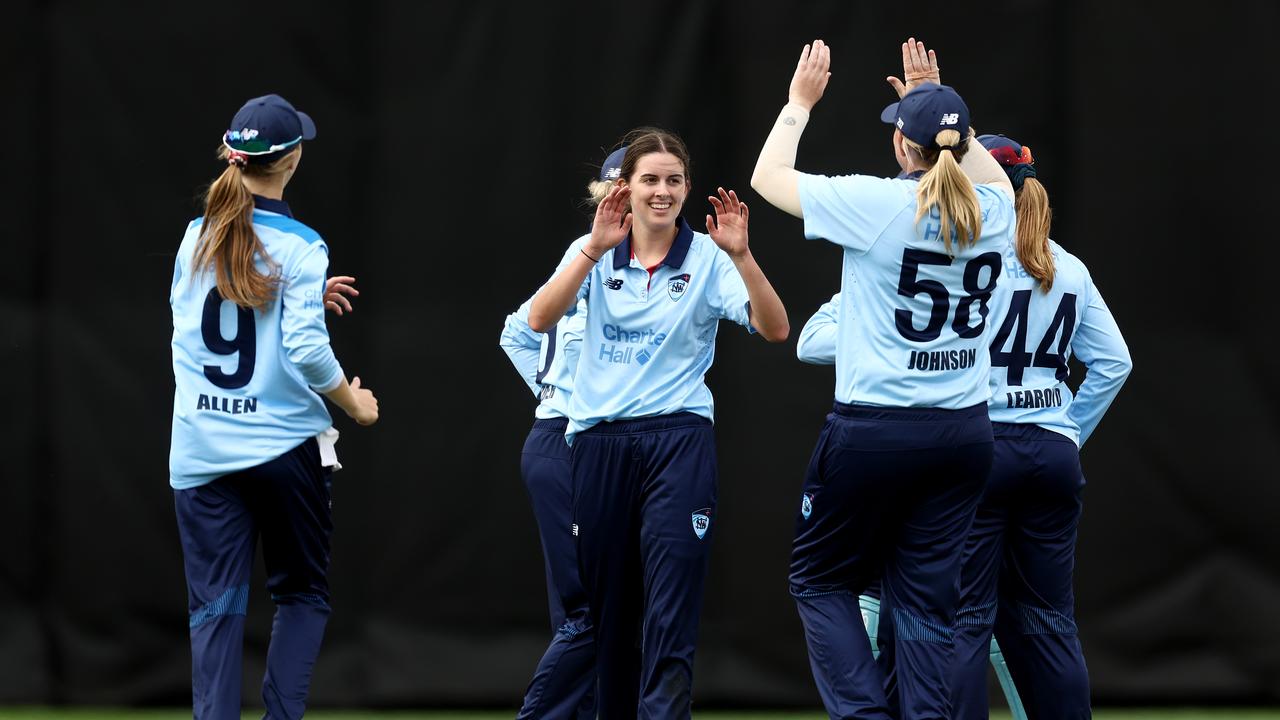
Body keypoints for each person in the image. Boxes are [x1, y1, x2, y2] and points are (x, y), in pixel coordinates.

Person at [751, 38, 1016, 719]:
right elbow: (982, 170)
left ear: (903, 148)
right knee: (926, 600)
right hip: (962, 433)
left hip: (875, 429)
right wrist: (938, 107)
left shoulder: (878, 204)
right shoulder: (996, 210)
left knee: (819, 579)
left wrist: (797, 104)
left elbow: (768, 177)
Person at [527, 127, 789, 718]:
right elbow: (539, 319)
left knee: (670, 608)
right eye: (650, 180)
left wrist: (743, 256)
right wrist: (593, 248)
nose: (662, 191)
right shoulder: (592, 249)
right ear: (626, 187)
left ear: (687, 188)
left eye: (673, 180)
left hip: (678, 441)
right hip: (599, 444)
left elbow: (775, 329)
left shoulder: (708, 257)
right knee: (608, 614)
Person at [168, 93, 379, 720]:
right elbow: (309, 353)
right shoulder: (301, 246)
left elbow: (196, 322)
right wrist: (355, 403)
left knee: (214, 608)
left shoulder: (195, 235)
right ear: (291, 160)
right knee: (302, 596)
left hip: (203, 451)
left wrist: (305, 292)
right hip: (285, 450)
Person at [947, 133, 1132, 720]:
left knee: (964, 620)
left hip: (980, 447)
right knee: (1050, 623)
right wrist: (1065, 430)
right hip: (1050, 455)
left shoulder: (963, 259)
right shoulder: (1065, 264)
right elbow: (1114, 362)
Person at [797, 293, 1029, 720]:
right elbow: (807, 341)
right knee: (929, 610)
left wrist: (882, 336)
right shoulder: (986, 253)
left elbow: (809, 341)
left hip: (895, 431)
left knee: (825, 582)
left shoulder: (880, 264)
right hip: (966, 438)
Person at [496, 145, 630, 719]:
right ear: (604, 195)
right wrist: (557, 396)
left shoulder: (668, 262)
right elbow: (518, 331)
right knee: (586, 613)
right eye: (620, 188)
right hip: (566, 443)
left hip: (611, 445)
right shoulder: (585, 258)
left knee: (604, 611)